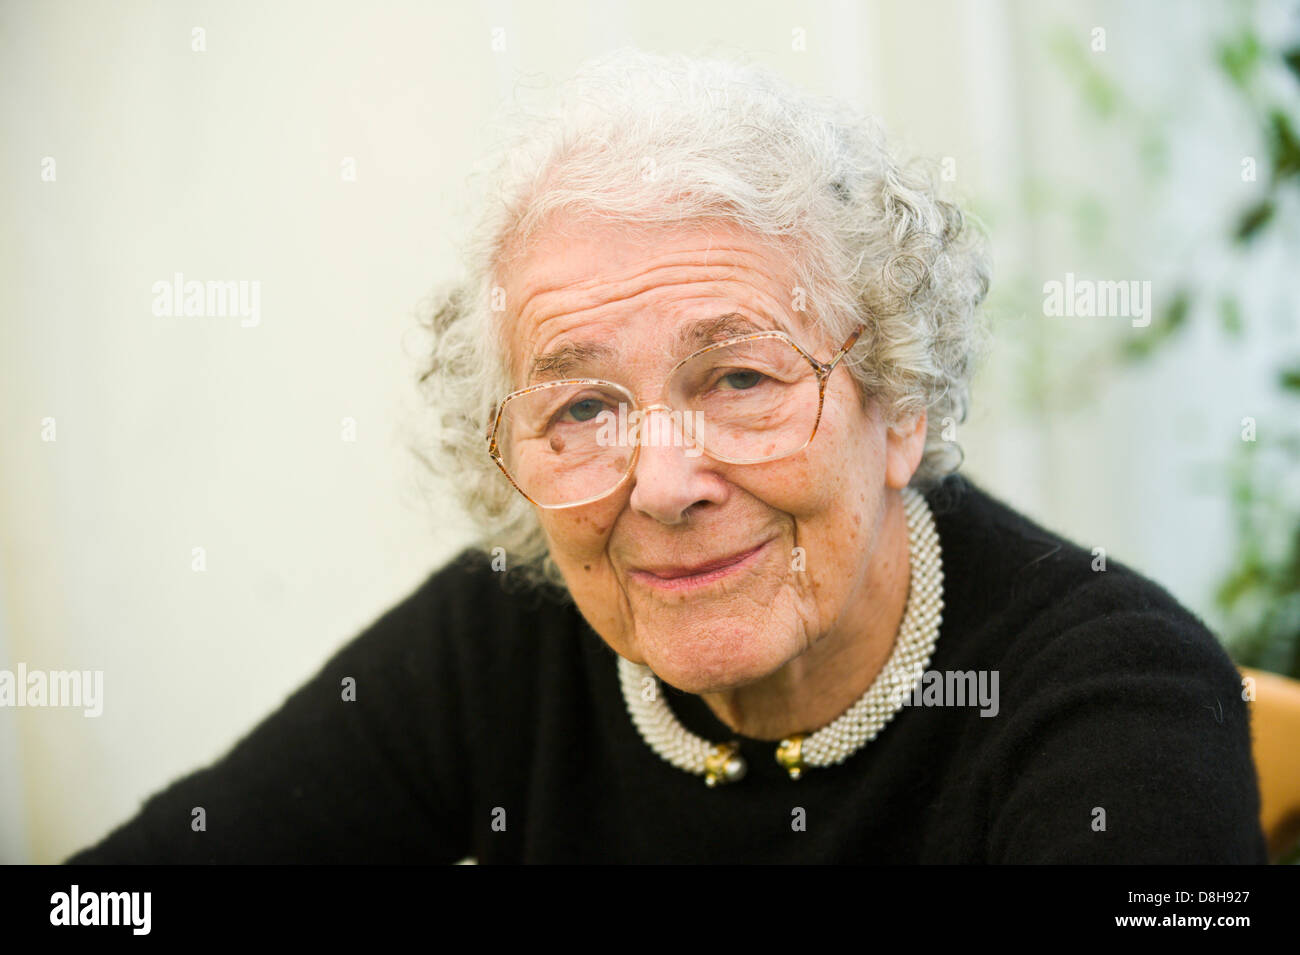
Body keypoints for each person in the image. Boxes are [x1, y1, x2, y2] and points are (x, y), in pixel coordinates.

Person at [67, 49, 1267, 864]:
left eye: (739, 377)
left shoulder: (1117, 690)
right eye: (582, 408)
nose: (660, 482)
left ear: (896, 406)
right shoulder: (511, 636)